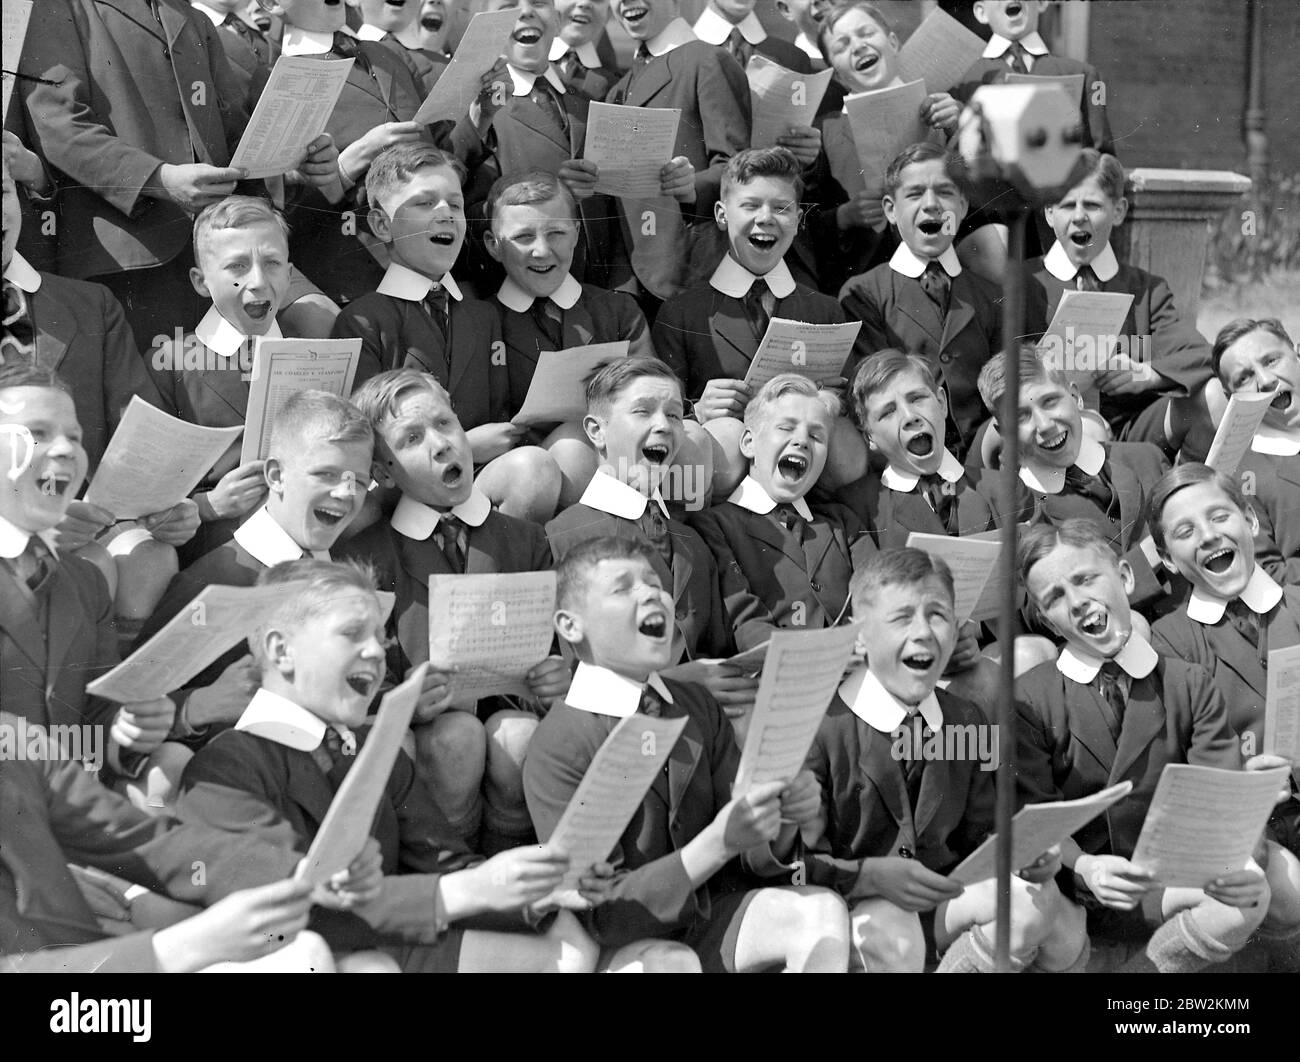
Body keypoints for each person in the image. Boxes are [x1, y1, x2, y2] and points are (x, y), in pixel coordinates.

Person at [175, 558, 602, 971]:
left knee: (563, 934)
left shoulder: (369, 750)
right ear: (281, 650)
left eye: (380, 638)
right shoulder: (226, 767)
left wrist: (539, 889)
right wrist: (465, 892)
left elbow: (443, 863)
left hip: (385, 937)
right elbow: (276, 925)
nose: (377, 652)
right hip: (308, 953)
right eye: (353, 634)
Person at [524, 536, 852, 971]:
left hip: (709, 920)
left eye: (653, 582)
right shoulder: (560, 742)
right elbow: (604, 913)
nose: (650, 593)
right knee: (671, 963)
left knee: (821, 911)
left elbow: (750, 857)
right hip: (622, 946)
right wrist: (716, 843)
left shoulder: (695, 704)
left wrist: (786, 816)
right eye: (623, 588)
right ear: (570, 626)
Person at [1014, 519, 1299, 972]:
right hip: (1087, 886)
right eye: (1055, 597)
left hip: (1172, 875)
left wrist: (1245, 804)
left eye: (1086, 579)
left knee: (1249, 888)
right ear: (1047, 620)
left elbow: (1215, 795)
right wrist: (1087, 867)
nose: (1077, 601)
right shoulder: (1029, 699)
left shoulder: (1186, 682)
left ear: (1125, 577)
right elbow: (1031, 818)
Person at [805, 548, 1089, 972]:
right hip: (857, 910)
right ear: (859, 636)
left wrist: (1025, 855)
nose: (923, 632)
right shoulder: (822, 728)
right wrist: (866, 876)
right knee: (895, 934)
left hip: (939, 896)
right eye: (901, 617)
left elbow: (981, 831)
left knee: (1055, 920)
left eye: (937, 615)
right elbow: (792, 865)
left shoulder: (963, 718)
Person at [339, 368, 562, 852]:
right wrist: (404, 702)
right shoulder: (370, 558)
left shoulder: (524, 539)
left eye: (446, 424)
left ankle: (512, 861)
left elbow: (559, 642)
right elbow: (357, 680)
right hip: (431, 733)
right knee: (454, 738)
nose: (441, 444)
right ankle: (454, 862)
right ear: (383, 472)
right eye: (413, 438)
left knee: (518, 738)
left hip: (508, 711)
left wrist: (558, 673)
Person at [333, 143, 563, 522]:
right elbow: (364, 444)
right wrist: (467, 446)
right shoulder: (363, 321)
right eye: (424, 203)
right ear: (380, 224)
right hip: (402, 500)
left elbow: (498, 412)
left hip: (474, 489)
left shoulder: (482, 315)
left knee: (533, 468)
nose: (445, 213)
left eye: (454, 205)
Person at [839, 142, 1002, 460]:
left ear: (963, 205)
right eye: (914, 194)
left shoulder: (988, 294)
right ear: (890, 210)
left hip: (981, 458)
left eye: (944, 192)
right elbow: (871, 395)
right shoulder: (864, 294)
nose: (931, 205)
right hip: (903, 455)